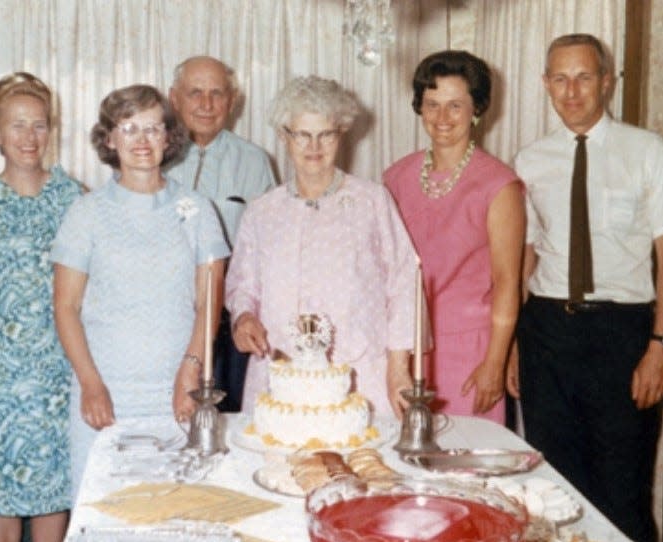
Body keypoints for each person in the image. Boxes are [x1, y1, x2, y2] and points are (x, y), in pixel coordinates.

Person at [511, 33, 663, 542]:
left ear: (607, 81)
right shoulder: (529, 160)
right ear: (546, 84)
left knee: (622, 491)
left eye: (584, 77)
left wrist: (661, 347)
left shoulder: (649, 152)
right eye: (560, 79)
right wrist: (515, 345)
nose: (572, 92)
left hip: (622, 334)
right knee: (553, 491)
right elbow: (526, 257)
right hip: (545, 330)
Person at [51, 85, 229, 493]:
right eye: (129, 128)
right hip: (105, 393)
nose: (142, 140)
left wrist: (191, 369)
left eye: (153, 128)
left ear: (169, 136)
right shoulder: (86, 213)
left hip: (178, 390)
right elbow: (65, 307)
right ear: (109, 139)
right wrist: (91, 383)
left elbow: (209, 303)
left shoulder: (198, 209)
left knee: (174, 512)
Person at [226, 75, 420, 418]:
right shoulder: (262, 211)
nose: (313, 146)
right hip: (281, 378)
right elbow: (243, 285)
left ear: (341, 133)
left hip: (363, 377)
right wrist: (243, 318)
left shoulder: (372, 201)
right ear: (285, 137)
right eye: (302, 134)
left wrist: (399, 368)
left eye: (325, 134)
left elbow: (405, 284)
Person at [0, 72, 81, 542]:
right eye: (17, 126)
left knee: (53, 484)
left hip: (57, 364)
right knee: (0, 485)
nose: (29, 137)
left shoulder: (73, 195)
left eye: (38, 125)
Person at [383, 51, 525, 425]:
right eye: (432, 105)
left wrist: (495, 362)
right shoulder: (395, 177)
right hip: (408, 346)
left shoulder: (499, 185)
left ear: (476, 109)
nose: (441, 118)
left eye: (454, 106)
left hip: (470, 351)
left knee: (466, 468)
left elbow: (509, 282)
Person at [166, 56, 276, 412]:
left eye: (217, 93)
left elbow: (270, 246)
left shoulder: (255, 161)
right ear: (174, 98)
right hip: (168, 310)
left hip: (229, 319)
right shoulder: (151, 156)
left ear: (232, 102)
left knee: (227, 422)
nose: (206, 104)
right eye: (195, 93)